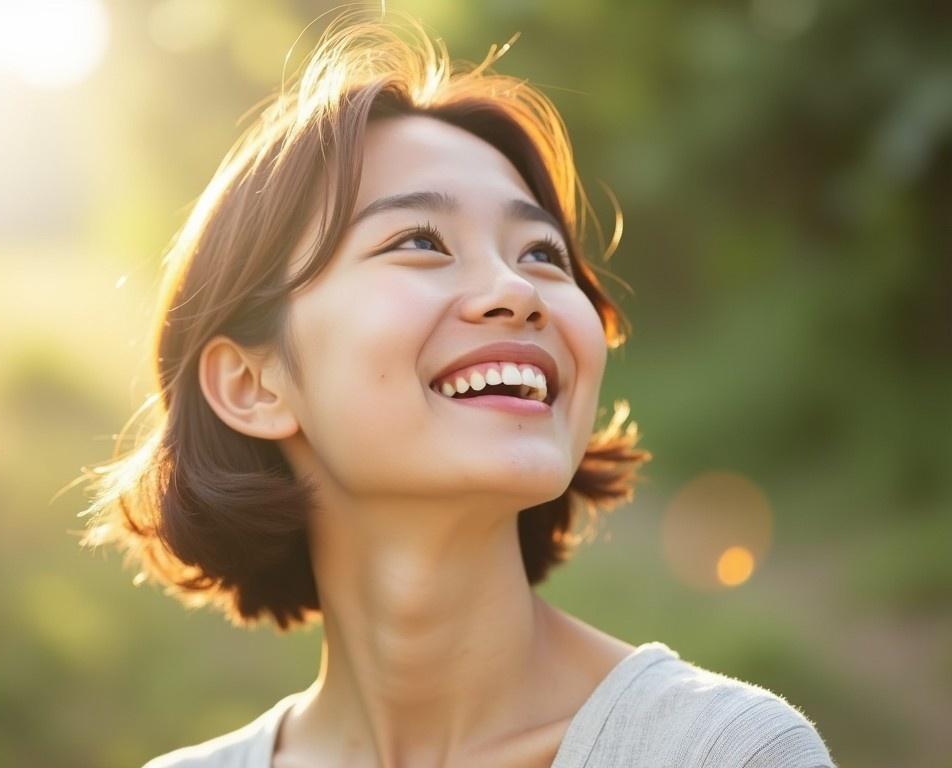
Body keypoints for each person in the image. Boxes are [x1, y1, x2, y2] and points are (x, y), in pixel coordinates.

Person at [79, 8, 837, 767]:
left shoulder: (725, 753)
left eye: (542, 252)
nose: (520, 289)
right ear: (251, 385)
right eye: (419, 241)